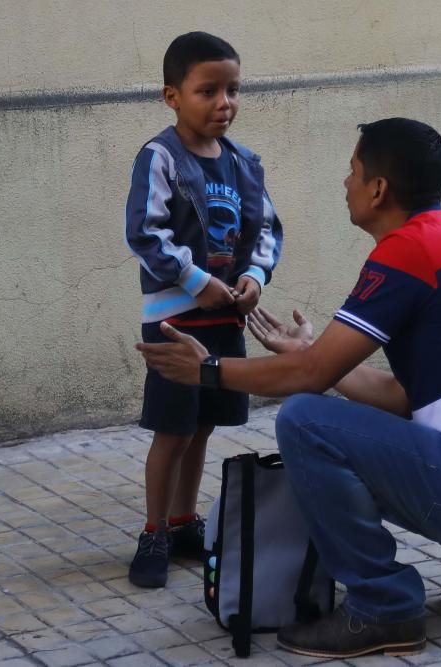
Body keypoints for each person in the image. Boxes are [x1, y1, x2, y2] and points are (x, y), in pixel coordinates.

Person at [137, 118, 441, 658]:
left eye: (353, 170)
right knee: (346, 416)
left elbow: (309, 380)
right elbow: (403, 399)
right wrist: (313, 359)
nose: (345, 181)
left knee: (303, 420)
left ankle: (383, 608)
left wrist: (210, 371)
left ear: (378, 189)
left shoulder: (406, 253)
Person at [123, 31, 283, 589]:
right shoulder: (160, 157)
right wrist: (196, 281)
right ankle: (154, 532)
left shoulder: (245, 164)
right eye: (207, 90)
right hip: (176, 319)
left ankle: (184, 520)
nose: (224, 103)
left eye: (233, 90)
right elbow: (145, 232)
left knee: (204, 426)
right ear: (172, 96)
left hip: (225, 319)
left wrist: (253, 277)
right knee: (172, 428)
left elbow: (265, 231)